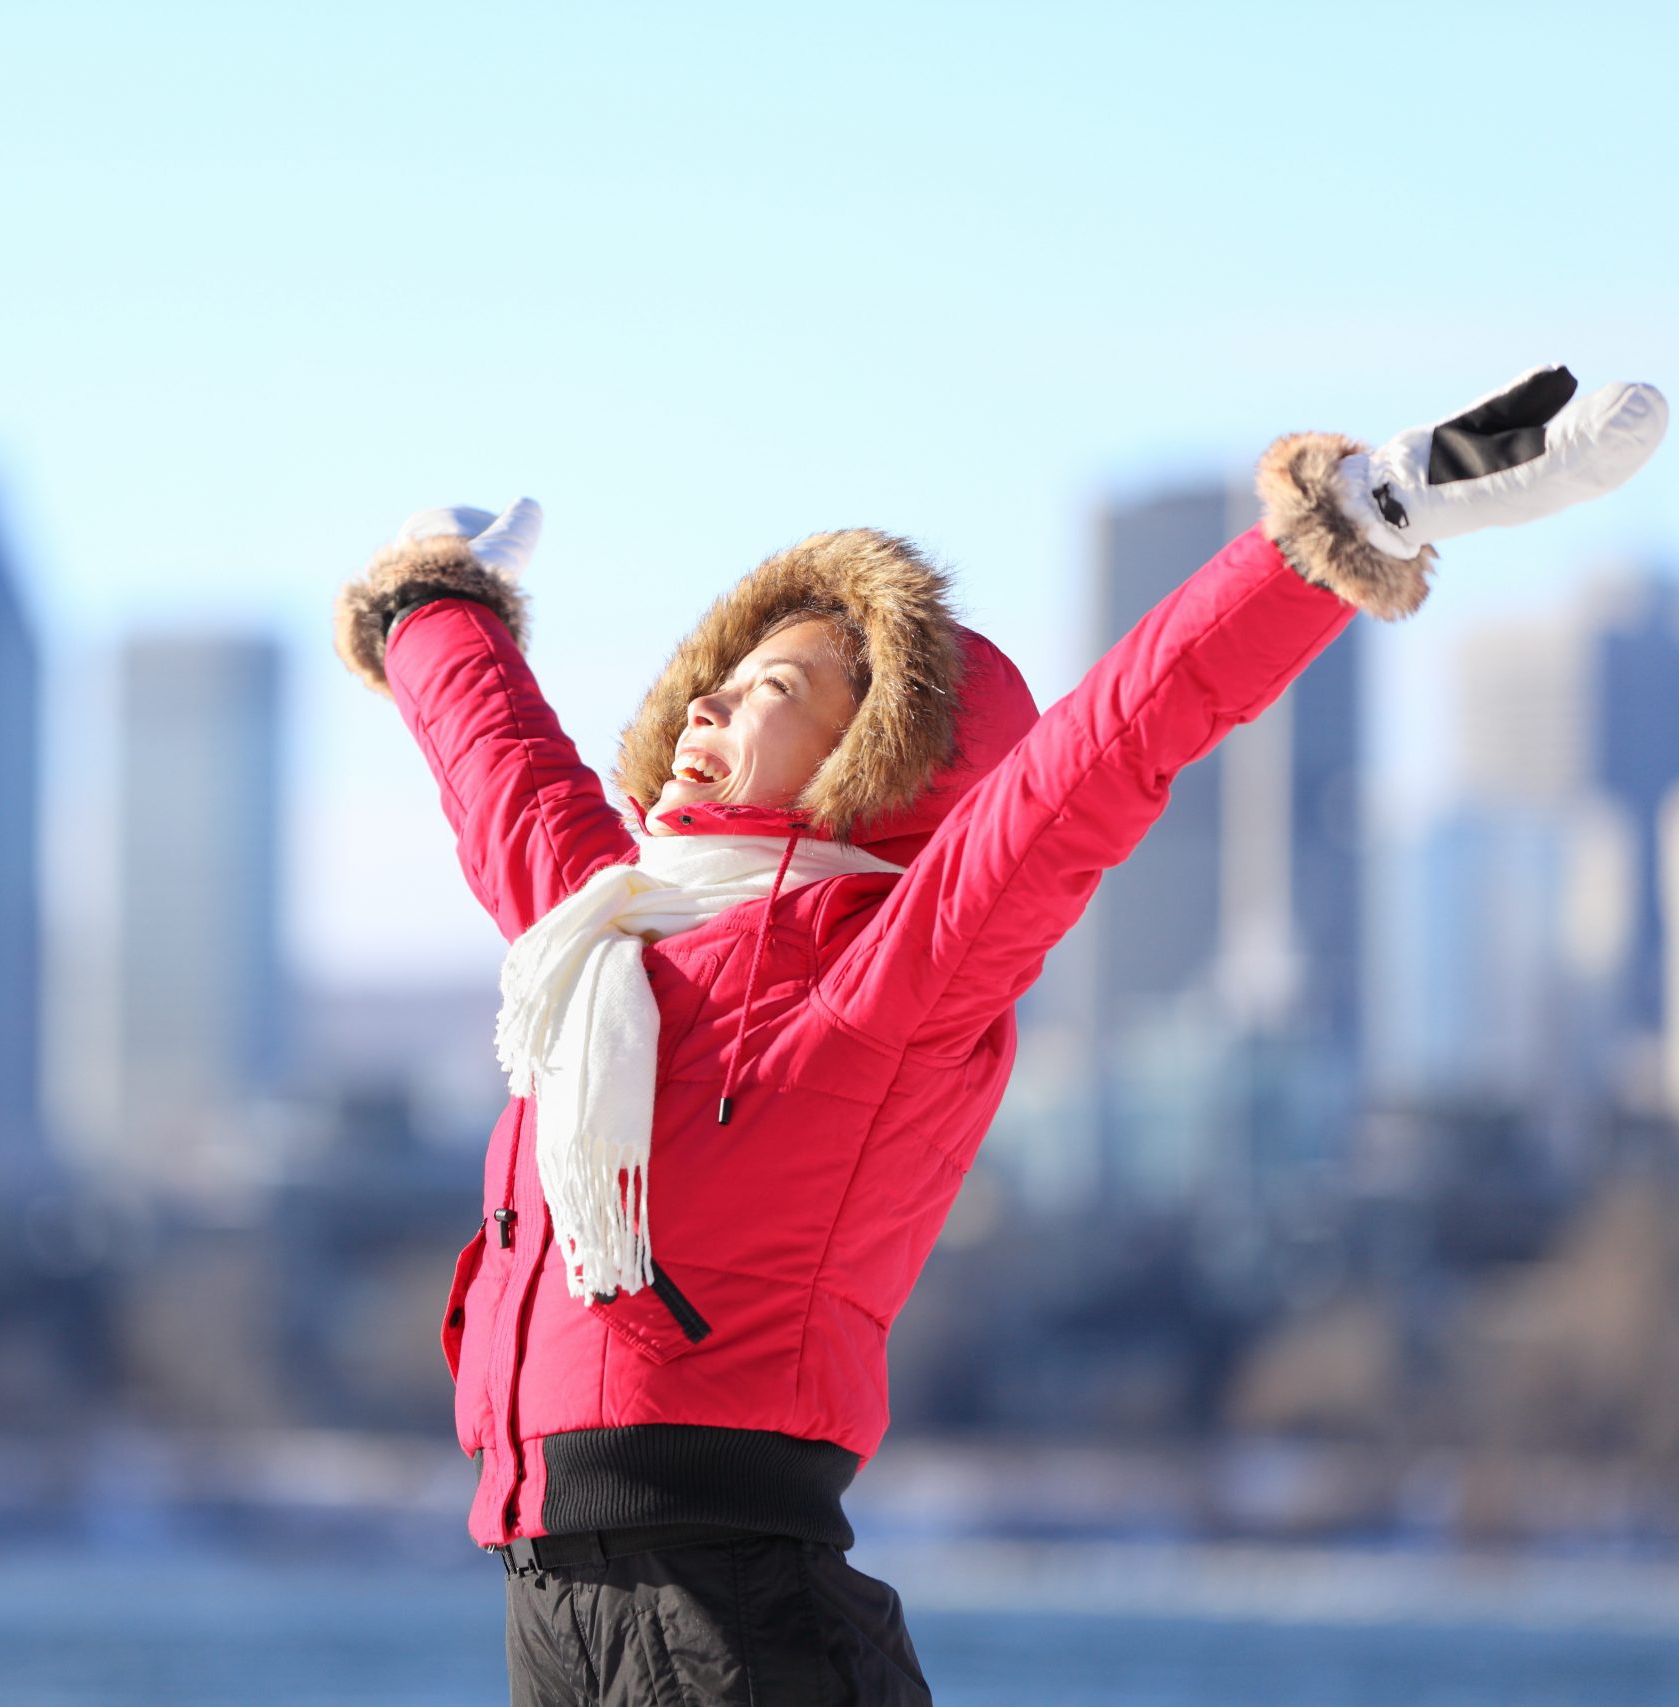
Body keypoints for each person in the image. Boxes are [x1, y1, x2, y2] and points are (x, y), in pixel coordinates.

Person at [329, 367, 1666, 1705]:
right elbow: (502, 771)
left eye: (769, 687)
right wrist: (433, 602)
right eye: (709, 684)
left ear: (878, 753)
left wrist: (1357, 519)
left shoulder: (884, 976)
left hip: (735, 1610)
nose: (703, 710)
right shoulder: (602, 938)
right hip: (552, 1599)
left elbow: (1106, 753)